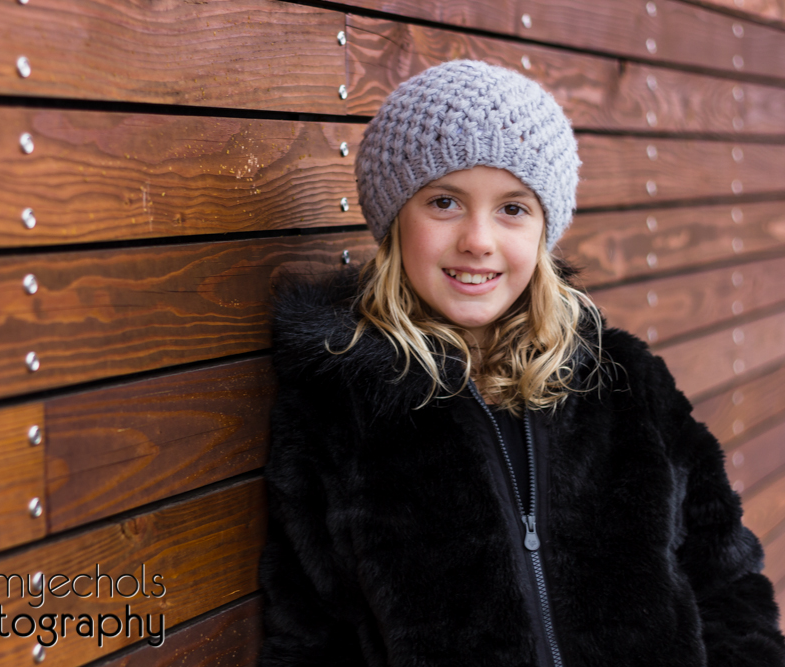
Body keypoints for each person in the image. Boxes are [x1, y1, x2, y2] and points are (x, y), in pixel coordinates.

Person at [257, 60, 785, 667]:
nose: (478, 239)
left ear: (543, 232)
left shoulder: (621, 381)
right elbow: (309, 632)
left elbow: (724, 575)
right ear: (394, 220)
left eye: (513, 208)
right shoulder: (343, 402)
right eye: (445, 201)